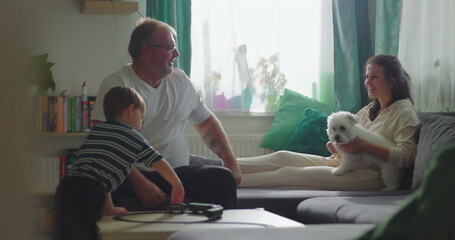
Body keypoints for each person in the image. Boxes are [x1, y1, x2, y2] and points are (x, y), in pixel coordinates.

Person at [91, 17, 239, 210]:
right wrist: (140, 183)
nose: (176, 53)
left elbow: (205, 121)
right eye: (170, 48)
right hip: (132, 175)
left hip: (178, 173)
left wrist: (230, 161)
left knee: (222, 178)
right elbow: (103, 142)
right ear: (146, 51)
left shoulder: (181, 81)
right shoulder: (118, 85)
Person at [237, 54, 420, 190]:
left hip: (373, 175)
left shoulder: (403, 111)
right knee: (282, 157)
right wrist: (338, 150)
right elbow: (352, 148)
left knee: (288, 174)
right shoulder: (366, 111)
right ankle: (216, 167)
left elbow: (407, 156)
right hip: (345, 164)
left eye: (374, 77)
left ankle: (222, 181)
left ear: (392, 80)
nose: (367, 82)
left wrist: (364, 146)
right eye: (366, 77)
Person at [53, 86, 185, 240]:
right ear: (130, 110)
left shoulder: (98, 130)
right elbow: (158, 162)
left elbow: (102, 175)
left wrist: (109, 208)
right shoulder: (131, 135)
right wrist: (177, 184)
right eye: (141, 118)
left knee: (64, 235)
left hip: (66, 188)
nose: (140, 125)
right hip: (88, 193)